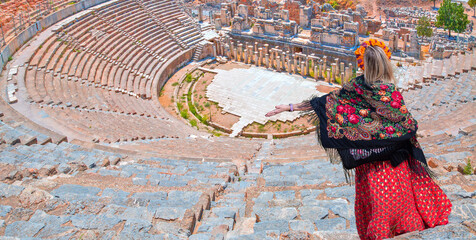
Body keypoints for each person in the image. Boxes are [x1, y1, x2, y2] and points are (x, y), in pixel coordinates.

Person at [265, 39, 452, 240]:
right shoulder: (390, 93)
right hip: (395, 165)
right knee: (398, 203)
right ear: (385, 64)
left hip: (368, 165)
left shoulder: (355, 87)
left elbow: (325, 103)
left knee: (376, 206)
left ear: (364, 65)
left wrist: (291, 107)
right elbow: (408, 126)